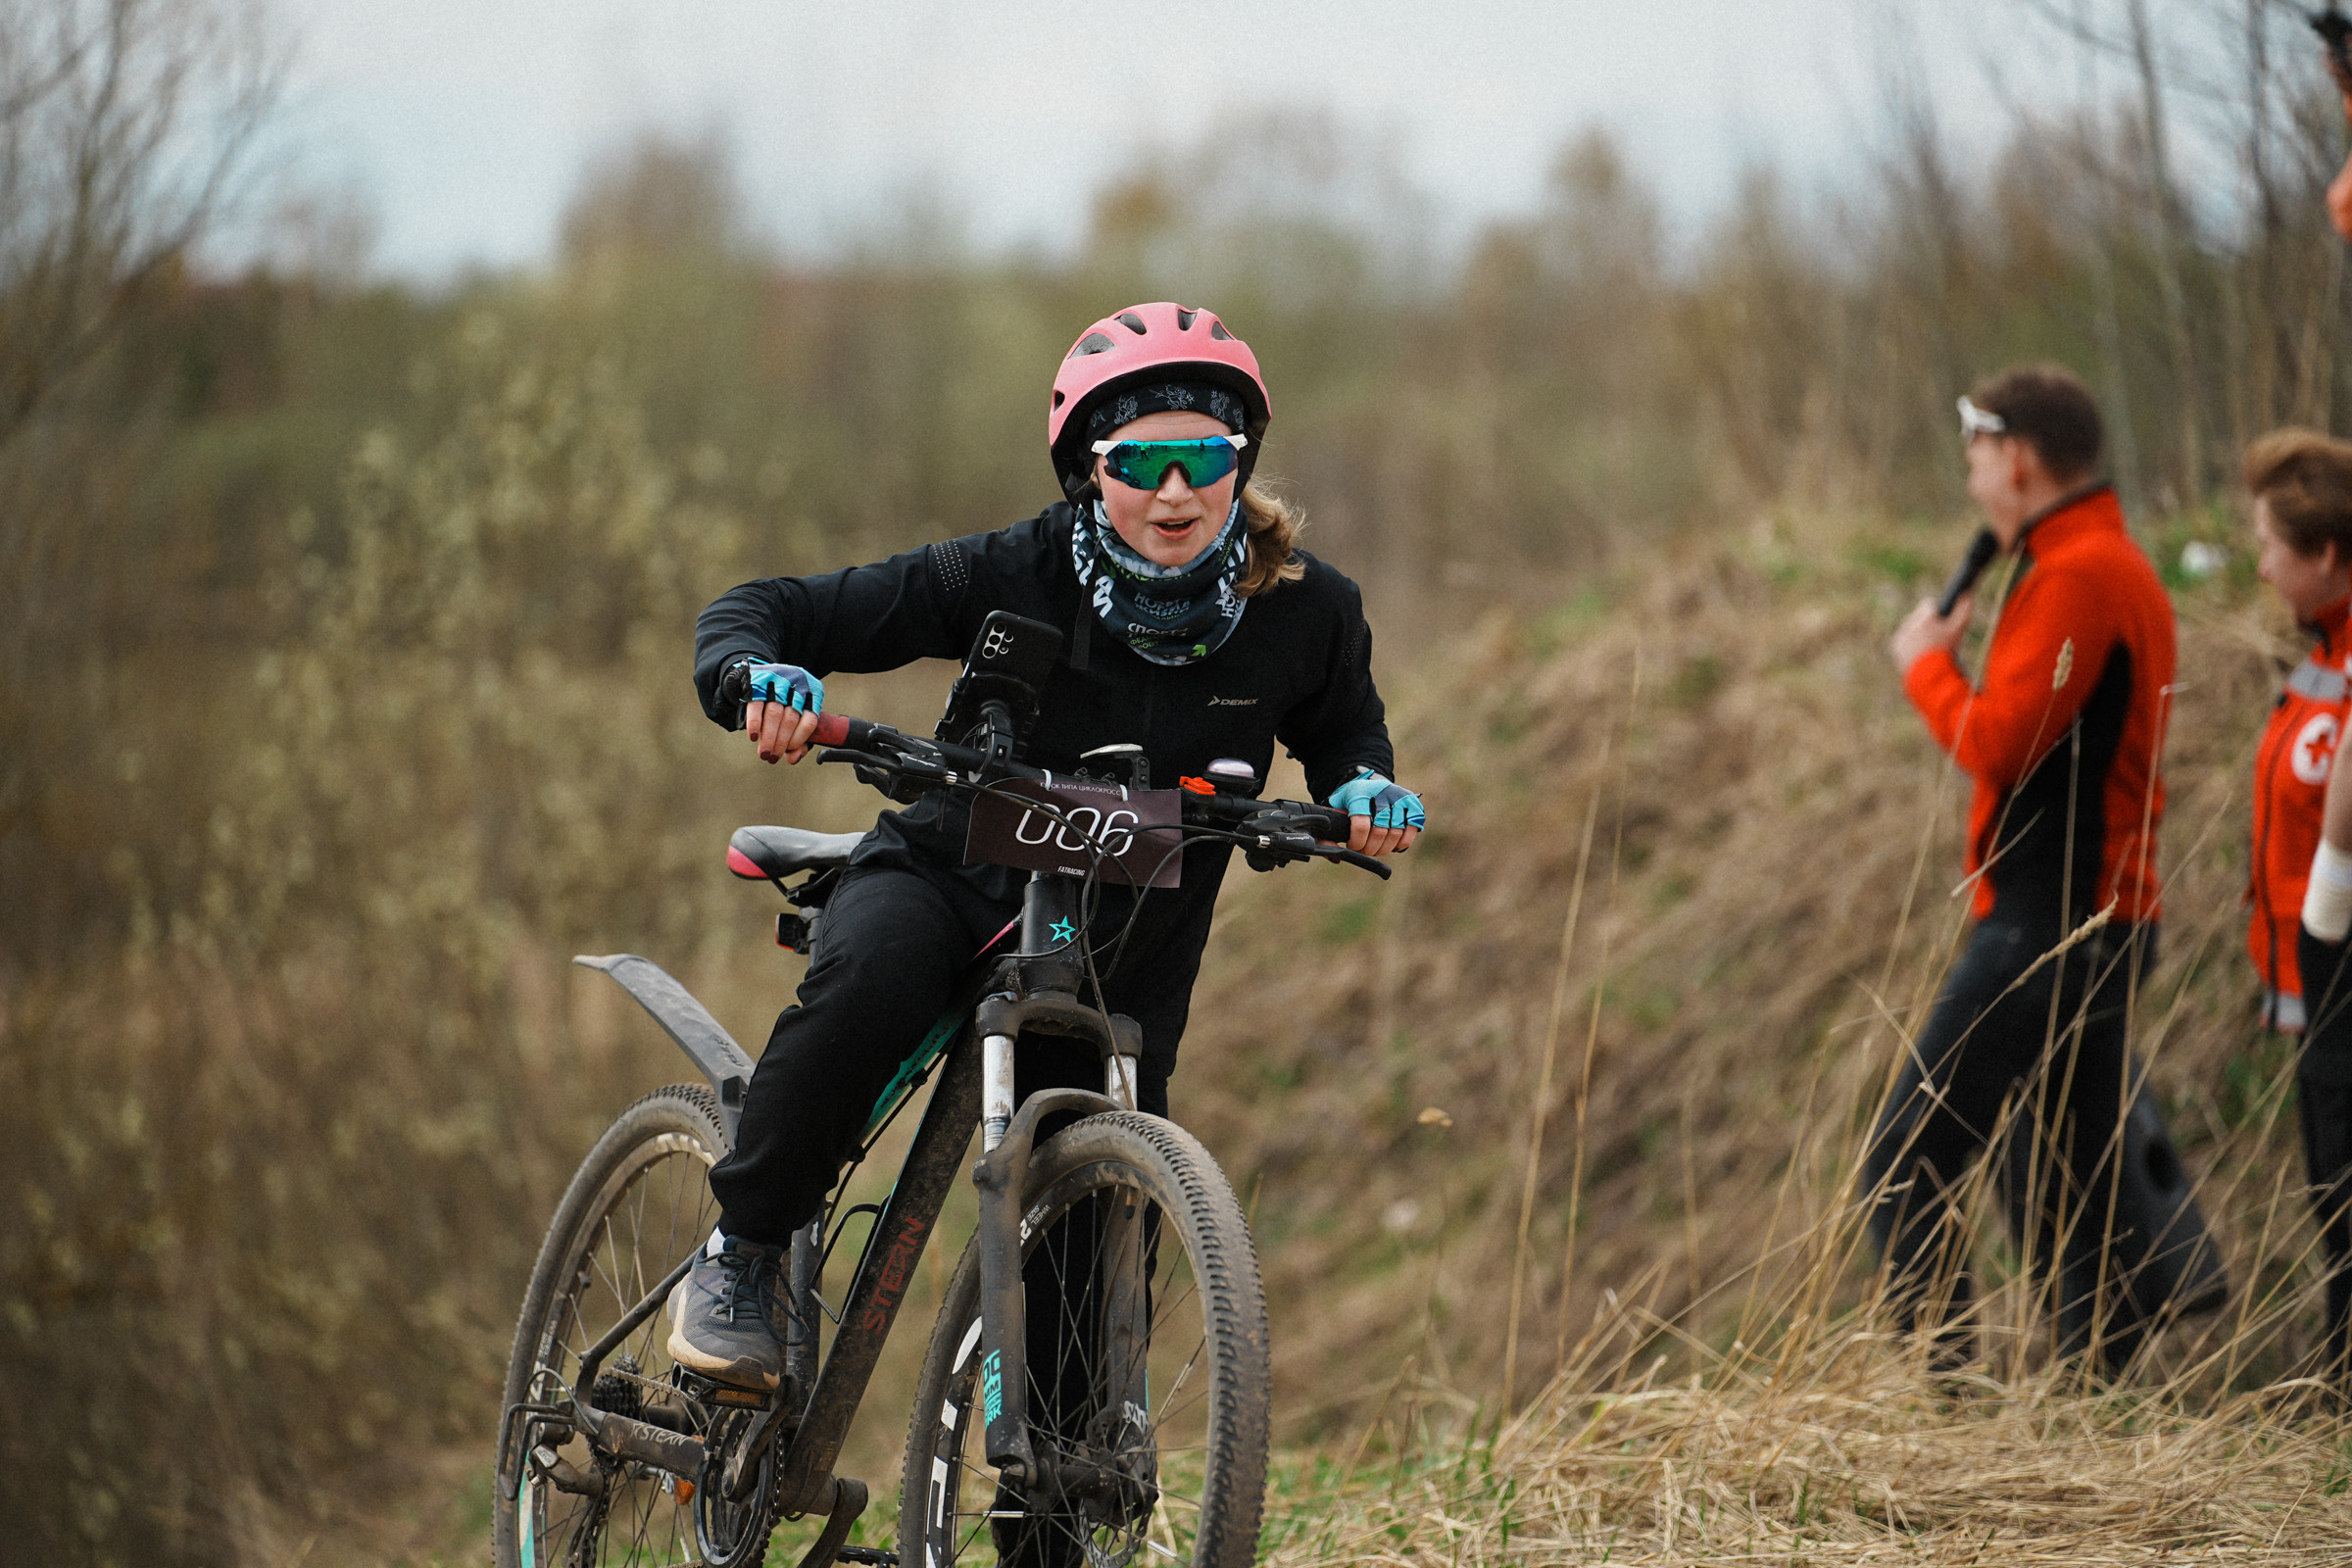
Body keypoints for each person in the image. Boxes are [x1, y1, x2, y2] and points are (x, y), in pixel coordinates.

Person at [663, 301, 1425, 1393]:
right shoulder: (1010, 572)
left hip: (1119, 955)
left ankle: (1063, 1480)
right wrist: (758, 677)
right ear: (1088, 470)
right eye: (1142, 463)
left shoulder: (1308, 610)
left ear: (1241, 461)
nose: (1177, 492)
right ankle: (740, 1253)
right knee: (873, 979)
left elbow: (1345, 730)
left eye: (1206, 458)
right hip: (949, 884)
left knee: (1089, 1287)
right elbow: (769, 609)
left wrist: (1360, 785)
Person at [1866, 364, 2177, 1372]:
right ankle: (2101, 1401)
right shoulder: (2097, 561)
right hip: (2093, 917)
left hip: (2054, 922)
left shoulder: (2078, 575)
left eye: (1977, 455)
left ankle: (1946, 1406)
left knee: (1906, 1160)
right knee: (2068, 1187)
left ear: (2020, 459)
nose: (1970, 479)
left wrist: (1926, 667)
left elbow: (2004, 741)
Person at [2252, 432, 2352, 1383]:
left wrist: (2326, 905)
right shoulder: (2324, 651)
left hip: (2337, 961)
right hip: (2312, 970)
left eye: (2270, 545)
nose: (2259, 566)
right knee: (2331, 1192)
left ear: (2325, 553)